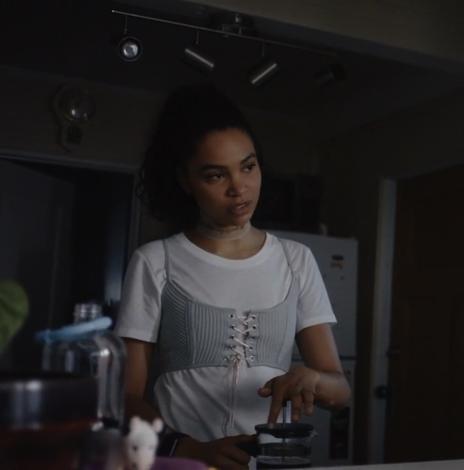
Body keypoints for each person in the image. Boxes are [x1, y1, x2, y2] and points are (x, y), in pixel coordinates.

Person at [116, 83, 350, 469]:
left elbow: (340, 391)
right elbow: (124, 399)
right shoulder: (156, 262)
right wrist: (187, 449)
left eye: (248, 166)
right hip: (181, 463)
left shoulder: (296, 260)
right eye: (214, 176)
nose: (239, 188)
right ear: (185, 181)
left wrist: (313, 379)